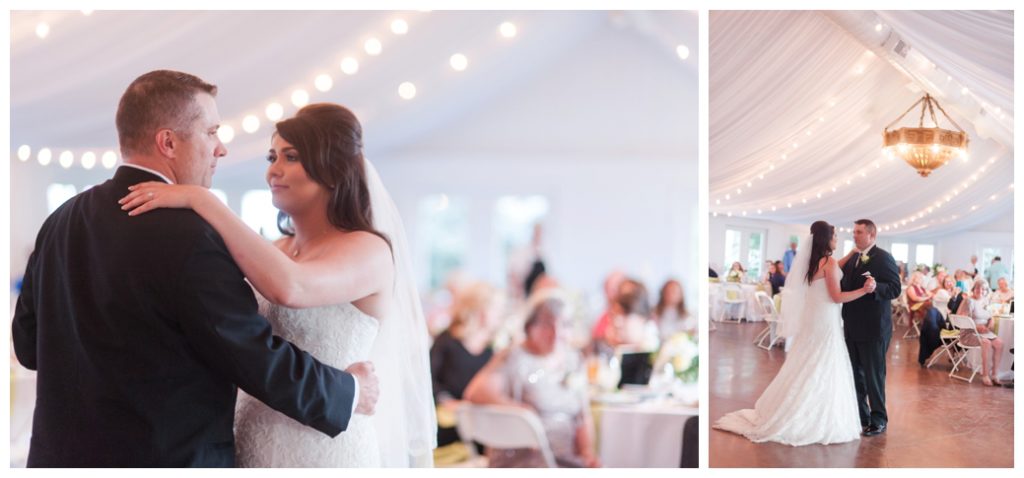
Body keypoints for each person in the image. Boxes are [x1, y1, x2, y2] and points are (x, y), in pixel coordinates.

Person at [11, 71, 380, 467]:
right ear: (168, 142)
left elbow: (28, 347)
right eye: (211, 132)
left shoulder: (60, 220)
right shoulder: (190, 235)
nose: (221, 149)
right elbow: (252, 356)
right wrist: (348, 392)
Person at [120, 102, 435, 466]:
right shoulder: (274, 249)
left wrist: (200, 198)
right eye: (272, 157)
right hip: (250, 439)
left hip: (326, 447)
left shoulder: (369, 250)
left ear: (333, 169)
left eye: (292, 157)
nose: (274, 170)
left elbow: (292, 288)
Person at [714, 221, 874, 445]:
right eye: (835, 236)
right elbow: (837, 297)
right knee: (823, 360)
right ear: (826, 239)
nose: (837, 239)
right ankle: (811, 411)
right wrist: (864, 290)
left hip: (814, 317)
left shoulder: (813, 261)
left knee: (809, 359)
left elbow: (833, 268)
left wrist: (851, 254)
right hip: (826, 318)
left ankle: (795, 403)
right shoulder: (828, 262)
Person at [464, 294, 599, 467]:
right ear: (530, 327)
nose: (556, 333)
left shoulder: (574, 359)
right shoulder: (515, 356)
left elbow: (582, 416)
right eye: (547, 325)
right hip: (524, 460)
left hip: (565, 459)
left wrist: (586, 453)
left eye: (565, 325)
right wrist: (522, 412)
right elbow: (477, 392)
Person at [838, 219, 901, 437]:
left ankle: (879, 419)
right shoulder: (852, 258)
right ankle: (862, 416)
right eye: (854, 232)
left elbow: (895, 288)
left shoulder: (883, 257)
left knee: (874, 376)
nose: (854, 235)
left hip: (874, 328)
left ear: (871, 235)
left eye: (859, 232)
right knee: (856, 375)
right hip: (852, 326)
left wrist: (876, 287)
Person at [429, 282, 503, 448]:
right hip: (449, 421)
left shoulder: (492, 350)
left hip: (480, 420)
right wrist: (447, 401)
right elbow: (427, 379)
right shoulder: (447, 341)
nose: (500, 315)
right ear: (481, 311)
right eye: (496, 309)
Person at [956, 280, 1005, 386]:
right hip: (968, 334)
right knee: (986, 342)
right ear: (974, 289)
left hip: (983, 333)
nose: (980, 291)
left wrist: (991, 321)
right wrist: (976, 327)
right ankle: (985, 375)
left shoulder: (986, 301)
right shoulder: (968, 301)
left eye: (983, 289)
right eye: (978, 288)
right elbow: (962, 319)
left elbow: (990, 315)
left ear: (986, 291)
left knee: (999, 343)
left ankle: (995, 375)